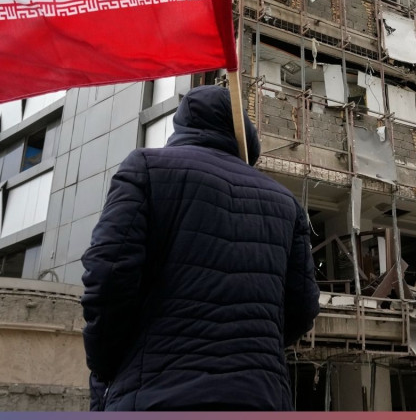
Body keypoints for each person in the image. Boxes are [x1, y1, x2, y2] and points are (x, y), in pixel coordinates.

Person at [80, 85, 320, 411]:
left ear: (183, 125)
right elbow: (302, 309)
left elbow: (107, 278)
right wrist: (253, 349)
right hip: (260, 397)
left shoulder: (146, 169)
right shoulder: (287, 203)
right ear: (243, 131)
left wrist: (108, 367)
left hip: (155, 393)